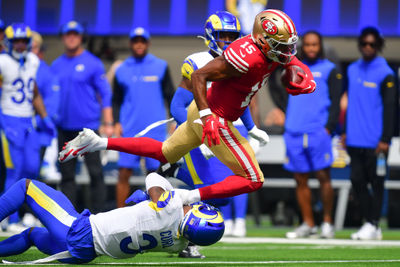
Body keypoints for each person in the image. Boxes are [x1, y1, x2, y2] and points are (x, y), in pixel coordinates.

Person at [59, 9, 316, 206]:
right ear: (262, 41)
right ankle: (184, 197)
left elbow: (249, 88)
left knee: (164, 152)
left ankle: (97, 142)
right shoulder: (240, 58)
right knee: (254, 179)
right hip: (214, 117)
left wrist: (298, 67)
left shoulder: (266, 48)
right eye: (281, 46)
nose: (287, 51)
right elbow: (198, 77)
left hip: (208, 112)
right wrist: (208, 117)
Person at [161, 11, 267, 257]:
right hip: (198, 133)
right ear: (210, 36)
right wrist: (198, 132)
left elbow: (242, 102)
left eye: (232, 36)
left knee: (221, 196)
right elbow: (178, 105)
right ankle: (188, 243)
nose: (228, 41)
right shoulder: (196, 62)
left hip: (220, 132)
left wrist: (251, 129)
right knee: (205, 188)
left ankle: (175, 175)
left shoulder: (241, 62)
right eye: (223, 36)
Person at [0, 173, 224, 264]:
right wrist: (146, 203)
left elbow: (153, 176)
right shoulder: (179, 242)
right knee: (32, 235)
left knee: (26, 186)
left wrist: (154, 196)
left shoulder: (171, 205)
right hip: (83, 254)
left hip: (79, 231)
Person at [284, 31, 341, 239]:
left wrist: (329, 127)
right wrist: (286, 115)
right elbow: (279, 89)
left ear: (320, 46)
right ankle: (308, 224)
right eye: (307, 44)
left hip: (319, 131)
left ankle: (327, 223)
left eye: (314, 44)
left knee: (324, 177)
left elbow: (336, 101)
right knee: (300, 180)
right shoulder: (292, 67)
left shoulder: (330, 69)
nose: (310, 48)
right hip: (293, 132)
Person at [51, 21, 113, 212]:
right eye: (68, 34)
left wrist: (108, 122)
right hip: (63, 127)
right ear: (63, 37)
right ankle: (69, 216)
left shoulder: (93, 63)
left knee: (95, 173)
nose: (71, 37)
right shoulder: (56, 65)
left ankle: (99, 216)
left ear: (80, 37)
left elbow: (105, 93)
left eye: (75, 34)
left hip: (87, 128)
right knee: (67, 175)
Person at [0, 23, 56, 232]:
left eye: (24, 41)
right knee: (13, 171)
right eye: (17, 41)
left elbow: (34, 92)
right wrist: (3, 122)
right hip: (9, 119)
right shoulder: (3, 61)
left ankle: (27, 216)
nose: (21, 45)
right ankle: (9, 219)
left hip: (28, 121)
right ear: (9, 42)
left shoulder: (32, 61)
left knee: (31, 169)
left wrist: (45, 117)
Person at [342, 27, 396, 240]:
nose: (367, 47)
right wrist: (345, 132)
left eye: (372, 44)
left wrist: (385, 139)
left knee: (377, 182)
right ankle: (371, 223)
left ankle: (373, 224)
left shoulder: (386, 73)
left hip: (376, 141)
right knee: (357, 180)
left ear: (378, 46)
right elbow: (350, 104)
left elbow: (391, 108)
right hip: (354, 138)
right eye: (364, 43)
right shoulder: (352, 69)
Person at [112, 27, 174, 208]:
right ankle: (120, 215)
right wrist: (116, 122)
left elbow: (170, 95)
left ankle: (157, 213)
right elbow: (115, 100)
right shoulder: (121, 69)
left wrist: (173, 120)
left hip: (155, 129)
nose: (139, 44)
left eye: (142, 41)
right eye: (135, 41)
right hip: (130, 129)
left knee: (155, 175)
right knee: (123, 172)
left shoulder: (160, 66)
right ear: (131, 43)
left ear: (148, 43)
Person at [31, 31, 60, 169]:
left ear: (40, 50)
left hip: (38, 133)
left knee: (30, 175)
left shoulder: (46, 72)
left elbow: (51, 105)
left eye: (34, 46)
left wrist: (35, 121)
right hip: (12, 130)